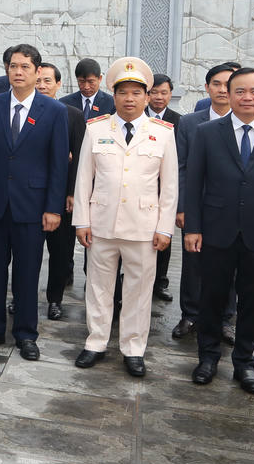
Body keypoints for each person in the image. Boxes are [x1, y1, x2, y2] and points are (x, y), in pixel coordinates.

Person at [182, 67, 254, 394]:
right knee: (212, 297)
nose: (247, 97)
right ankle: (207, 358)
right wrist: (193, 226)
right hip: (216, 230)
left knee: (253, 300)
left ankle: (245, 363)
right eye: (240, 91)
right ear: (228, 95)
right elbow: (194, 184)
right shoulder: (207, 132)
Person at [72, 57, 178, 377]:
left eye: (136, 92)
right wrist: (82, 221)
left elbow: (170, 186)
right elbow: (83, 178)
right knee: (99, 287)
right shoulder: (96, 129)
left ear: (147, 97)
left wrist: (165, 228)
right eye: (123, 93)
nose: (129, 99)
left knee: (139, 291)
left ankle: (133, 348)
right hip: (102, 223)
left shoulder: (163, 133)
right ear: (113, 96)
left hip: (144, 227)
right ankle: (96, 342)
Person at [0, 43, 69, 359]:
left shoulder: (54, 111)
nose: (18, 72)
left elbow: (58, 165)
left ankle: (26, 334)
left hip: (33, 206)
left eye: (25, 66)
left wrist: (53, 208)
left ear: (38, 72)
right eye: (13, 66)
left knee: (27, 273)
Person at [171, 62, 239, 340]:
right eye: (217, 84)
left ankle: (225, 319)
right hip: (198, 206)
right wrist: (183, 206)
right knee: (193, 264)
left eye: (228, 85)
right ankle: (190, 314)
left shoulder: (246, 119)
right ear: (207, 87)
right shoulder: (189, 122)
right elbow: (182, 166)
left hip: (234, 207)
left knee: (230, 265)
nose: (222, 90)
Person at [37, 62, 85, 319]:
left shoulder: (73, 114)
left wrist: (72, 192)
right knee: (27, 253)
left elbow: (79, 157)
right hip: (31, 195)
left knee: (61, 253)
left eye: (48, 81)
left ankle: (55, 299)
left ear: (58, 85)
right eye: (39, 80)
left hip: (62, 197)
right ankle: (22, 296)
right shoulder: (24, 112)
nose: (42, 86)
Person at [147, 73, 181, 303]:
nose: (159, 97)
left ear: (171, 94)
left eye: (164, 92)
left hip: (166, 187)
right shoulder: (138, 117)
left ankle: (160, 281)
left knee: (163, 235)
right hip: (143, 187)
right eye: (154, 92)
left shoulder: (180, 121)